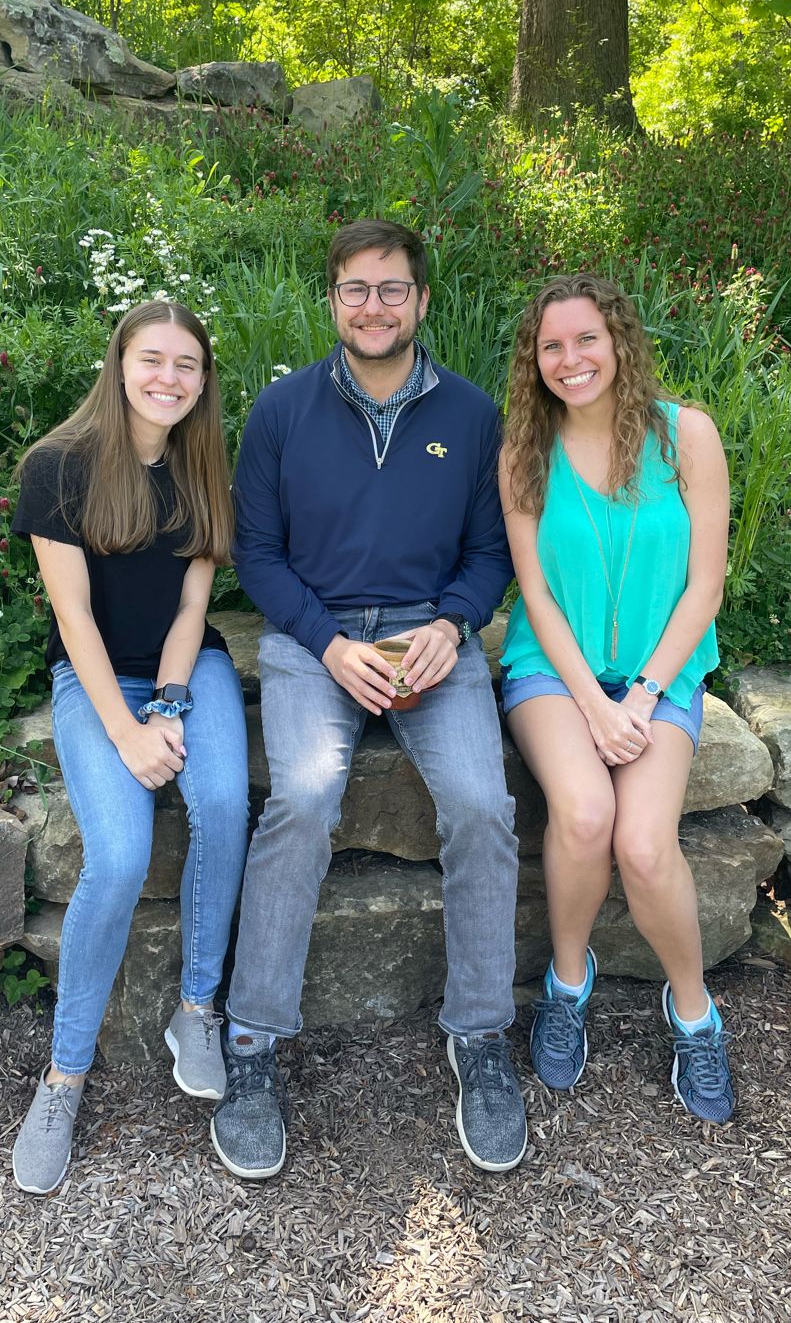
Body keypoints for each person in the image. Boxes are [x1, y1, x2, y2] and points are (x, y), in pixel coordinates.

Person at [212, 218, 526, 1179]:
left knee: (482, 805)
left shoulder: (473, 417)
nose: (375, 306)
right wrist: (329, 643)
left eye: (392, 289)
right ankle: (256, 1044)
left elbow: (494, 550)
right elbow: (256, 554)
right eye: (356, 288)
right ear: (334, 299)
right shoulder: (282, 412)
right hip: (318, 639)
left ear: (422, 302)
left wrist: (456, 624)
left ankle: (479, 1034)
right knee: (302, 797)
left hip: (434, 636)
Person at [9, 300, 250, 1194]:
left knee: (225, 804)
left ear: (203, 380)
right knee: (118, 856)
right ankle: (64, 1077)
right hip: (94, 679)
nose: (170, 378)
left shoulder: (200, 469)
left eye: (189, 364)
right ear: (119, 363)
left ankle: (197, 1009)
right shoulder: (58, 468)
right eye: (154, 358)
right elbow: (74, 617)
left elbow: (194, 609)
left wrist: (175, 705)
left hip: (191, 673)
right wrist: (127, 728)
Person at [498, 273, 734, 1123]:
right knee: (586, 815)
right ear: (535, 361)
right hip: (552, 674)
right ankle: (568, 986)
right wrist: (596, 708)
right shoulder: (524, 451)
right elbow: (535, 593)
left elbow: (704, 587)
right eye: (551, 346)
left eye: (585, 340)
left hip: (661, 673)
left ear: (619, 341)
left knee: (641, 842)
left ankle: (695, 1014)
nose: (570, 360)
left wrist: (639, 696)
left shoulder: (687, 437)